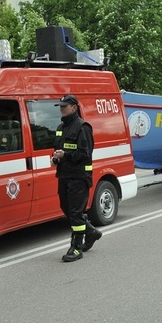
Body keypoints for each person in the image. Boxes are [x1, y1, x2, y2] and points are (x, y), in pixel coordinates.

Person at [53, 94, 100, 262]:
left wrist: (66, 155)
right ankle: (91, 232)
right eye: (60, 106)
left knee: (75, 212)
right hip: (64, 175)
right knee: (67, 208)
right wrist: (56, 157)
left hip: (79, 176)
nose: (62, 108)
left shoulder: (83, 127)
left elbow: (86, 154)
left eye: (65, 106)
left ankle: (76, 248)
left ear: (74, 107)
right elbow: (57, 147)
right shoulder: (60, 127)